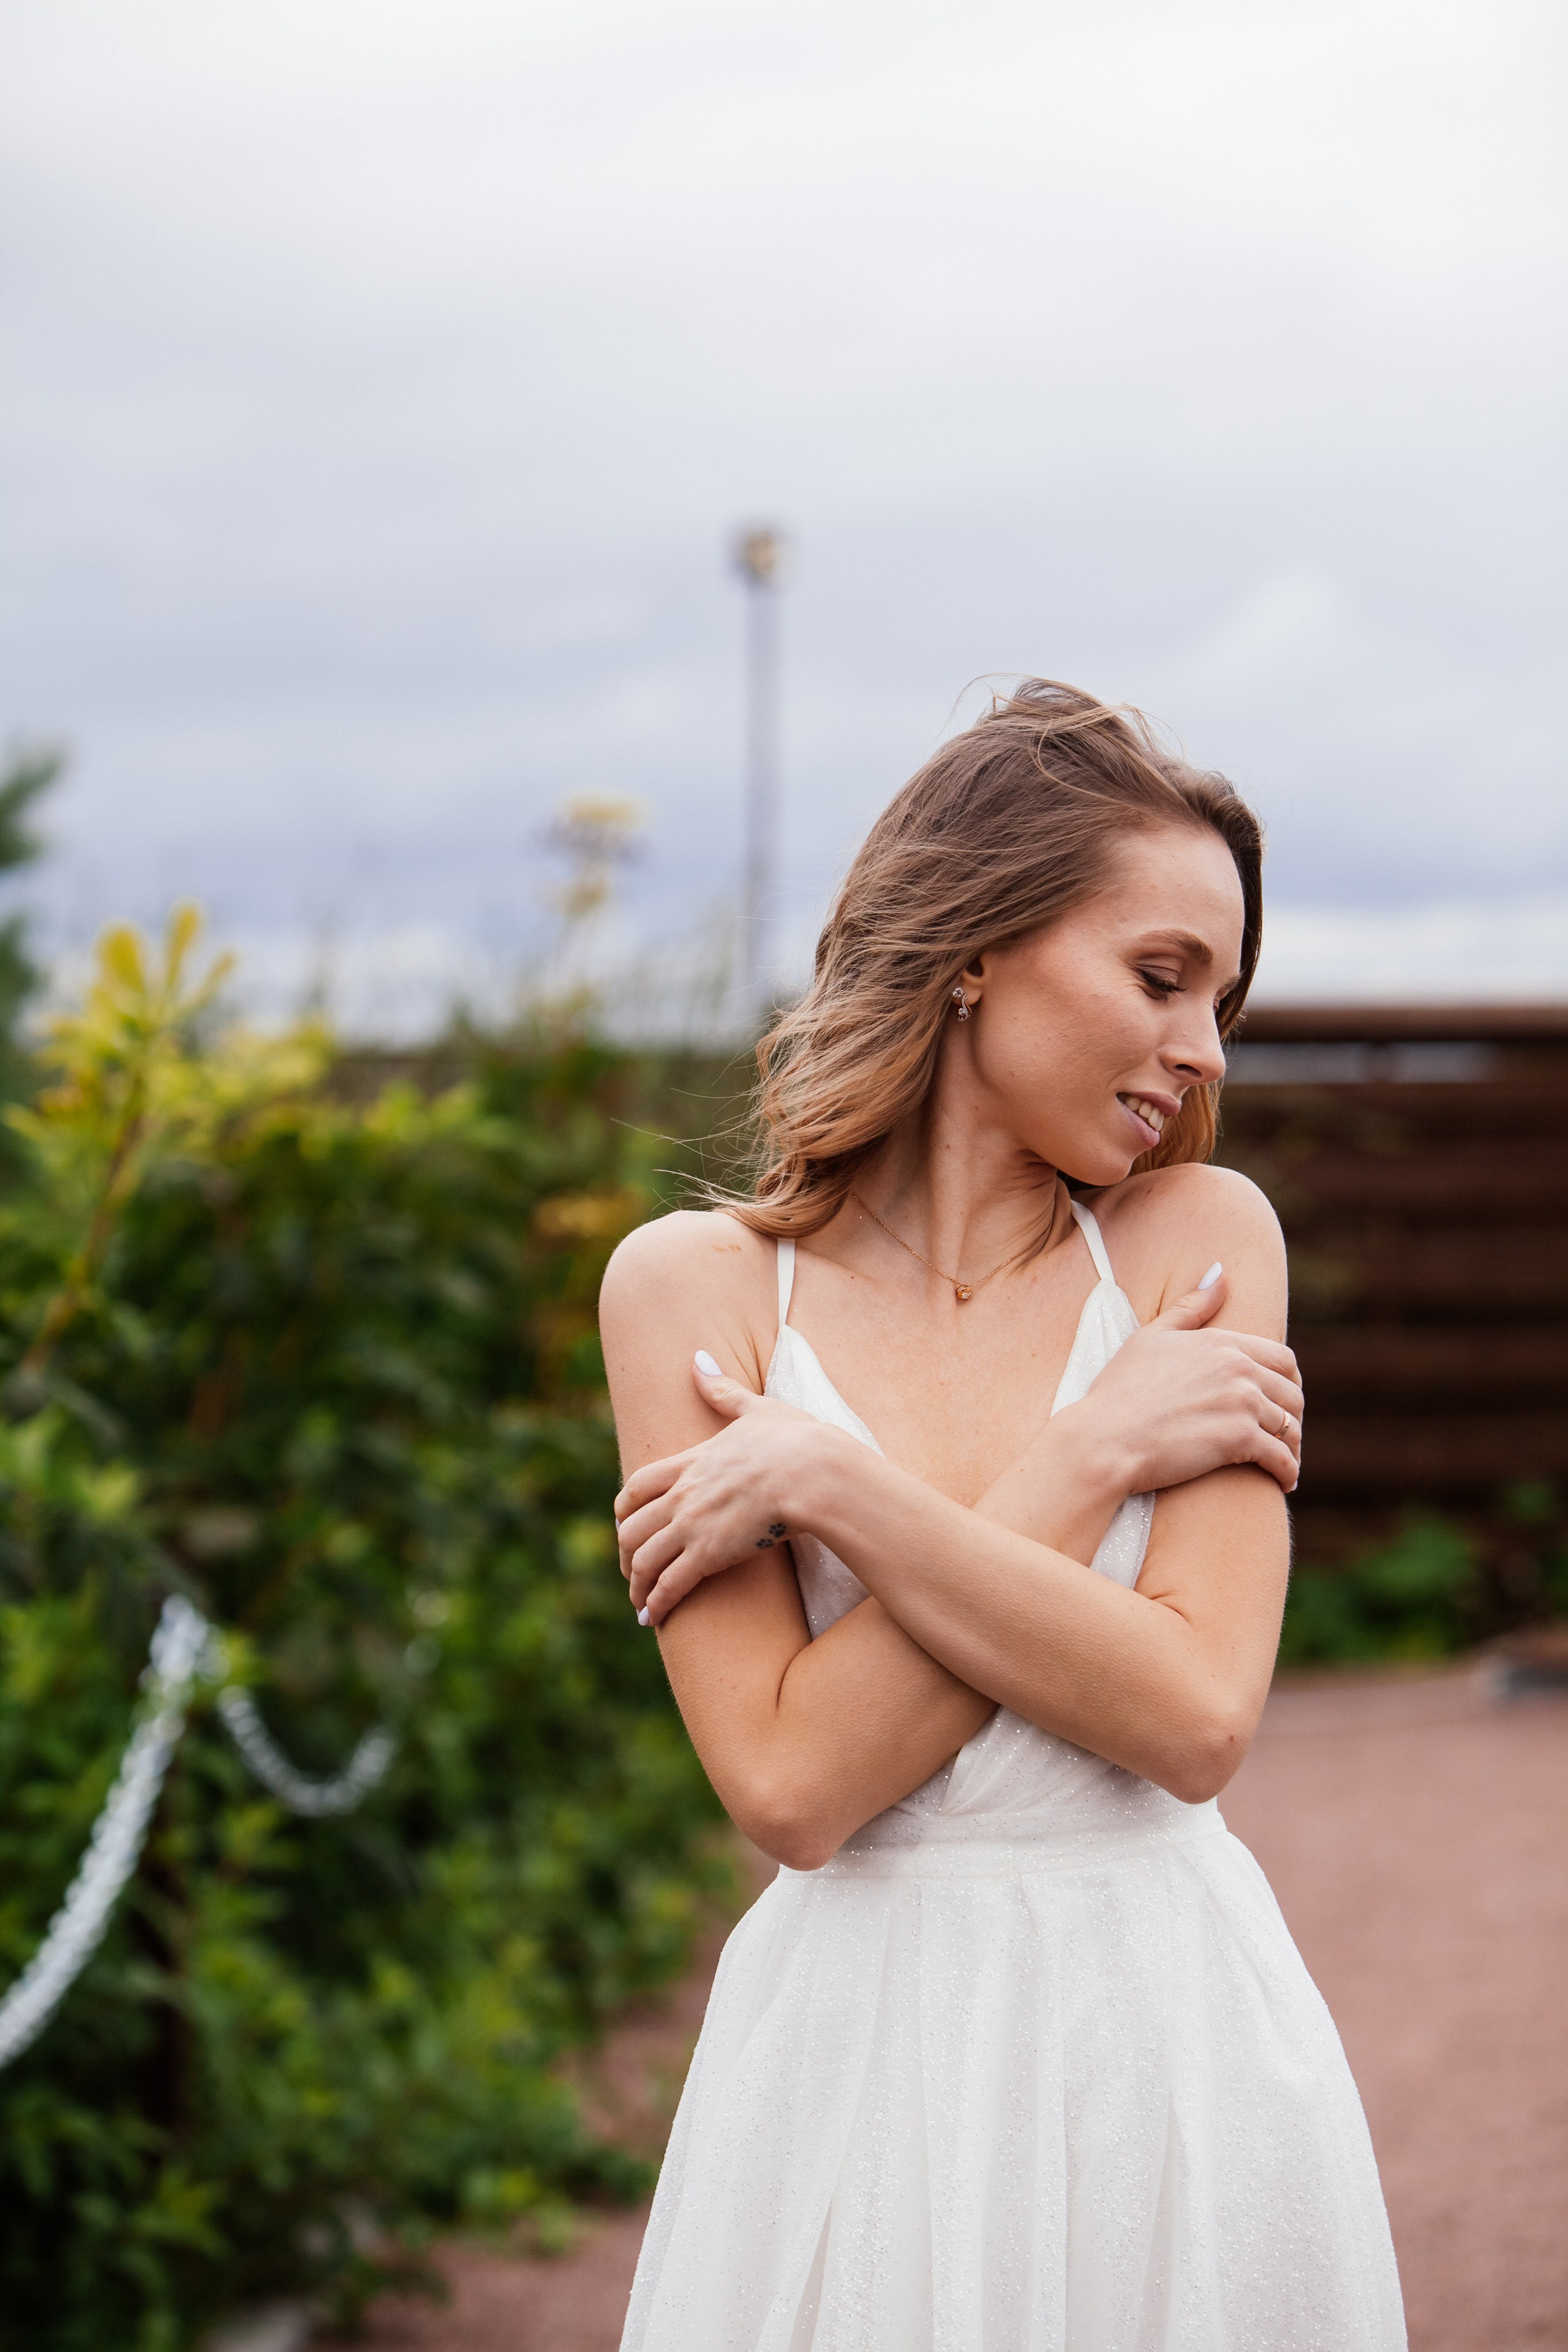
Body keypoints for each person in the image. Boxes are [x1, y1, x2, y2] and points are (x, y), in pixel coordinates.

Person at [601, 682, 1405, 2351]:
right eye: (1160, 976)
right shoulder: (692, 1290)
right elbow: (795, 1788)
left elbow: (1192, 1717)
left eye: (1226, 1001)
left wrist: (829, 1487)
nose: (1202, 1053)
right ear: (973, 949)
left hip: (1169, 2053)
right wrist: (1099, 1451)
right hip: (846, 2078)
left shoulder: (1204, 1242)